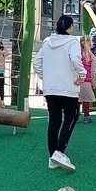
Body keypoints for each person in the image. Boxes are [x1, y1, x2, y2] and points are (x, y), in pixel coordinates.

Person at [36, 14, 84, 172]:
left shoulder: (48, 42)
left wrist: (46, 77)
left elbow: (37, 62)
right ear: (70, 27)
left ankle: (52, 156)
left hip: (51, 89)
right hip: (68, 88)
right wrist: (82, 74)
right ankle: (59, 151)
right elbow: (76, 59)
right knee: (72, 116)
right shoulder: (72, 42)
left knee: (54, 120)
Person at [77, 37, 96, 123]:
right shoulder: (90, 55)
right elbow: (93, 71)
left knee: (76, 99)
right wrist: (93, 82)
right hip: (86, 81)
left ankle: (75, 115)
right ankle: (86, 116)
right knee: (86, 100)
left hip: (76, 80)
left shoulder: (76, 54)